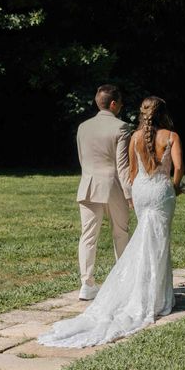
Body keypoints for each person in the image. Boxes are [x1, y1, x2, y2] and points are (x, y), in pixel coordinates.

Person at [38, 96, 184, 348]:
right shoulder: (171, 136)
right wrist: (174, 187)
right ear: (163, 113)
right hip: (160, 190)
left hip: (141, 191)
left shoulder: (135, 137)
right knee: (157, 241)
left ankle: (114, 286)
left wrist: (137, 190)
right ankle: (157, 297)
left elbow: (132, 171)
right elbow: (178, 169)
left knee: (138, 237)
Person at [75, 84, 132, 301]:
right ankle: (124, 281)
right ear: (114, 104)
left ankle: (86, 284)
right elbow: (122, 165)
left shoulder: (83, 127)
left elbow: (82, 159)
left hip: (88, 184)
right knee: (121, 232)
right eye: (121, 103)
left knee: (88, 236)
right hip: (112, 185)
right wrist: (129, 193)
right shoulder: (122, 127)